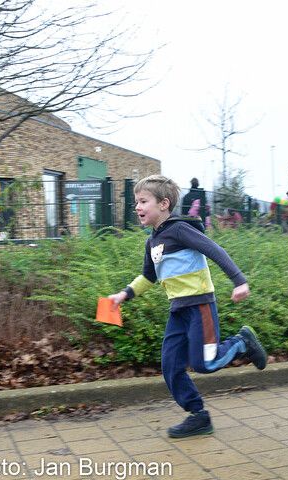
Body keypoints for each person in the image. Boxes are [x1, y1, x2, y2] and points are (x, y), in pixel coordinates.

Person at [107, 175, 268, 438]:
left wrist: (239, 280)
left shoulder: (180, 229)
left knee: (204, 363)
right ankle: (198, 416)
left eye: (143, 201)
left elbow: (214, 250)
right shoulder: (152, 241)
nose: (137, 206)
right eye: (136, 201)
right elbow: (149, 276)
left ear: (164, 204)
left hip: (200, 306)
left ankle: (241, 343)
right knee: (170, 366)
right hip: (178, 311)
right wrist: (124, 294)